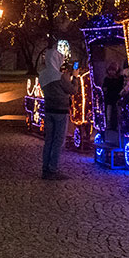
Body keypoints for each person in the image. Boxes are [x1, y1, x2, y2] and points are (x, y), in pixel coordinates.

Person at [38, 44, 78, 180]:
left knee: (48, 140)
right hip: (60, 111)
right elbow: (72, 90)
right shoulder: (59, 76)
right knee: (58, 141)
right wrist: (75, 77)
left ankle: (45, 168)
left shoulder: (42, 75)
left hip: (48, 109)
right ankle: (53, 169)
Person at [101, 62, 125, 134]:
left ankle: (119, 123)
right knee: (109, 108)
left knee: (118, 109)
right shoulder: (107, 79)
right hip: (110, 97)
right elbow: (104, 87)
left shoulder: (120, 78)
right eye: (110, 70)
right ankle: (109, 123)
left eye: (113, 70)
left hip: (118, 96)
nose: (111, 72)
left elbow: (121, 86)